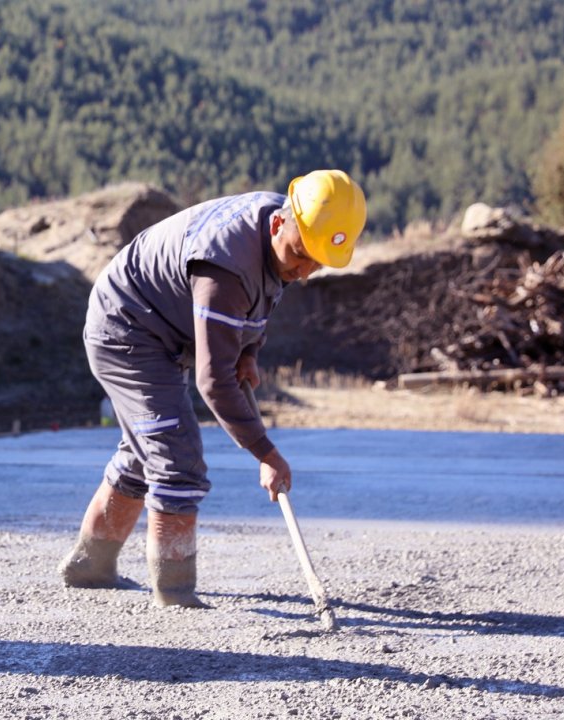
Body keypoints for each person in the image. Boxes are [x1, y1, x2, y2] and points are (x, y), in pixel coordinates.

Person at [58, 170, 366, 607]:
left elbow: (259, 301)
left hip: (162, 329)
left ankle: (90, 566)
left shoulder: (291, 226)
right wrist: (266, 453)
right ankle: (176, 596)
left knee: (148, 448)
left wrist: (249, 351)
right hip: (127, 328)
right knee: (176, 455)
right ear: (280, 224)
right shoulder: (227, 262)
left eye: (317, 263)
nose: (304, 272)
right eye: (301, 257)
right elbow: (213, 381)